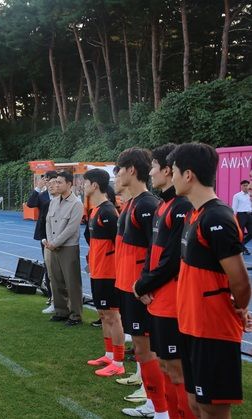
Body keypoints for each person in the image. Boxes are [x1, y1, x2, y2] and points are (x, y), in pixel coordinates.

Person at [170, 143, 250, 419]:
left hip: (212, 329)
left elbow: (240, 281)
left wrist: (238, 309)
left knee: (213, 409)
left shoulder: (217, 217)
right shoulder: (193, 215)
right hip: (191, 324)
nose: (172, 178)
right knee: (195, 404)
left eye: (175, 172)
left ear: (188, 175)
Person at [133, 144, 195, 418]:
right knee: (167, 365)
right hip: (156, 299)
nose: (152, 173)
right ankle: (165, 412)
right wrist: (143, 283)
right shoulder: (164, 205)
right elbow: (152, 251)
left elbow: (171, 260)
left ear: (169, 171)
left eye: (154, 168)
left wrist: (144, 285)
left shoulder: (181, 207)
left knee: (177, 368)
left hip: (171, 302)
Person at [114, 148, 168, 418]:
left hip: (138, 290)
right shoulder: (132, 203)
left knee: (147, 350)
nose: (118, 174)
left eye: (120, 169)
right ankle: (154, 402)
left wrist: (146, 286)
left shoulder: (147, 204)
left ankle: (160, 408)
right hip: (128, 288)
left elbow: (156, 250)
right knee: (140, 349)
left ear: (131, 170)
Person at [83, 169, 125, 377]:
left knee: (112, 316)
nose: (83, 187)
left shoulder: (108, 212)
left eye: (85, 183)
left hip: (109, 273)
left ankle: (118, 361)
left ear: (95, 186)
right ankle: (109, 354)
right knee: (103, 314)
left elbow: (118, 244)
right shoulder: (95, 211)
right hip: (97, 271)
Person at [44, 171, 84, 326]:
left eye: (60, 182)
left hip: (68, 247)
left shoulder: (76, 204)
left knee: (72, 281)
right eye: (56, 182)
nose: (56, 185)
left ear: (69, 184)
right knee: (56, 280)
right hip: (53, 245)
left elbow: (71, 228)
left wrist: (55, 243)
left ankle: (75, 315)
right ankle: (61, 311)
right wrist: (50, 241)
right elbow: (48, 221)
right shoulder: (54, 201)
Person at [26, 170, 57, 309]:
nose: (49, 183)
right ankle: (51, 296)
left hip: (59, 233)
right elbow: (30, 204)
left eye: (52, 180)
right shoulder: (42, 195)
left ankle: (61, 297)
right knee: (48, 265)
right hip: (45, 235)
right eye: (47, 180)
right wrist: (38, 188)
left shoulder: (61, 195)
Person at [232, 179, 251, 255]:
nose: (246, 187)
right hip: (241, 215)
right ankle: (243, 248)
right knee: (241, 233)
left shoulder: (250, 195)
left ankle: (242, 246)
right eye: (244, 185)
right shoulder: (237, 196)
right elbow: (234, 207)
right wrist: (232, 217)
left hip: (250, 215)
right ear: (241, 186)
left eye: (247, 185)